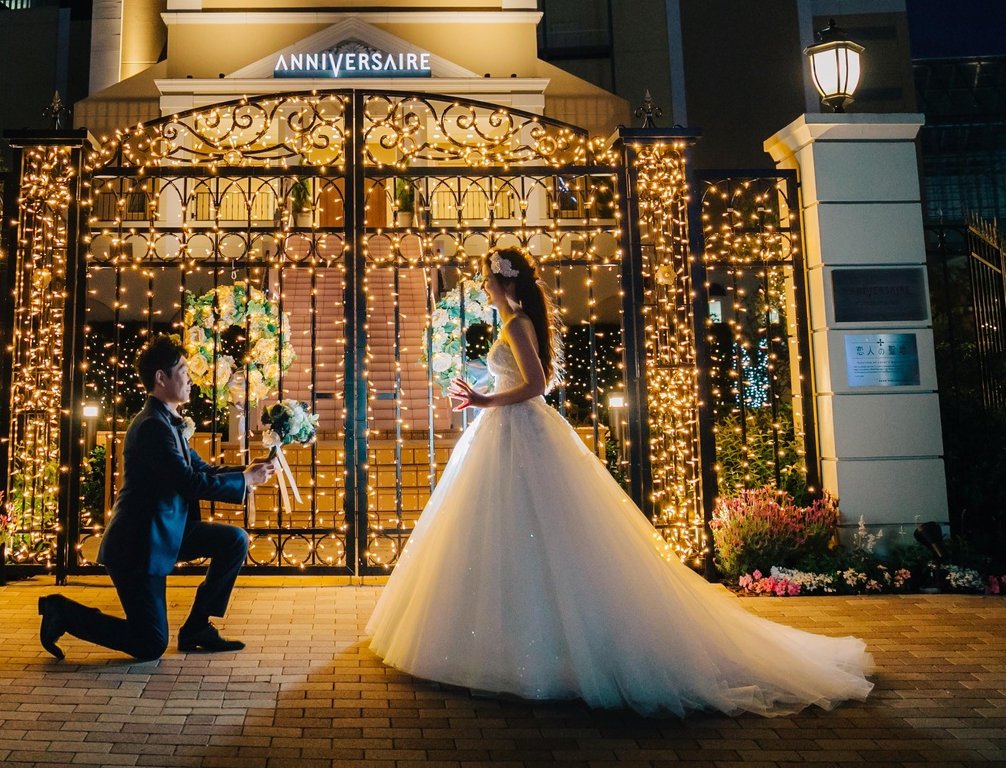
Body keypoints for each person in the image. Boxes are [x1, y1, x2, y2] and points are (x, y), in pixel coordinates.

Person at [366, 247, 876, 717]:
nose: (482, 286)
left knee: (528, 528)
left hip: (518, 430)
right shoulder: (514, 323)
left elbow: (537, 384)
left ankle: (533, 646)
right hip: (509, 431)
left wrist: (485, 400)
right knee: (512, 530)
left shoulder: (518, 322)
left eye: (486, 279)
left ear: (505, 282)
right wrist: (487, 390)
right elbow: (526, 378)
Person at [38, 336, 277, 659]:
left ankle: (197, 627)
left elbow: (201, 469)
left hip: (167, 533)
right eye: (183, 371)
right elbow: (188, 482)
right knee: (150, 643)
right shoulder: (152, 426)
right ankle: (62, 612)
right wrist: (245, 481)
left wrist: (246, 471)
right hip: (138, 546)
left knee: (234, 540)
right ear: (161, 378)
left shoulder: (167, 422)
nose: (190, 379)